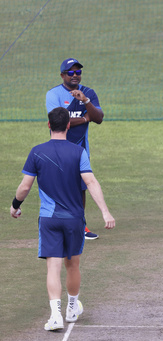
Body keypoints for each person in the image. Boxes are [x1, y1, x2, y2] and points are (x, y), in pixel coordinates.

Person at [10, 107, 115, 331]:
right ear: (68, 125)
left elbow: (25, 186)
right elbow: (91, 182)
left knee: (53, 269)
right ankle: (72, 308)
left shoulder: (37, 152)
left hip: (49, 219)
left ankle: (55, 315)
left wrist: (15, 206)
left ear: (49, 125)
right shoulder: (78, 152)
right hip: (74, 219)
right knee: (73, 265)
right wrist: (105, 211)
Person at [46, 58, 105, 239]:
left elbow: (99, 117)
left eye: (78, 72)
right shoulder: (53, 94)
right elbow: (59, 121)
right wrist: (86, 119)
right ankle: (58, 225)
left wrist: (86, 101)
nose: (75, 75)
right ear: (62, 75)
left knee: (81, 188)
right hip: (59, 148)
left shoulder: (89, 93)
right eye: (70, 72)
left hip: (81, 149)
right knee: (61, 187)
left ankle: (80, 226)